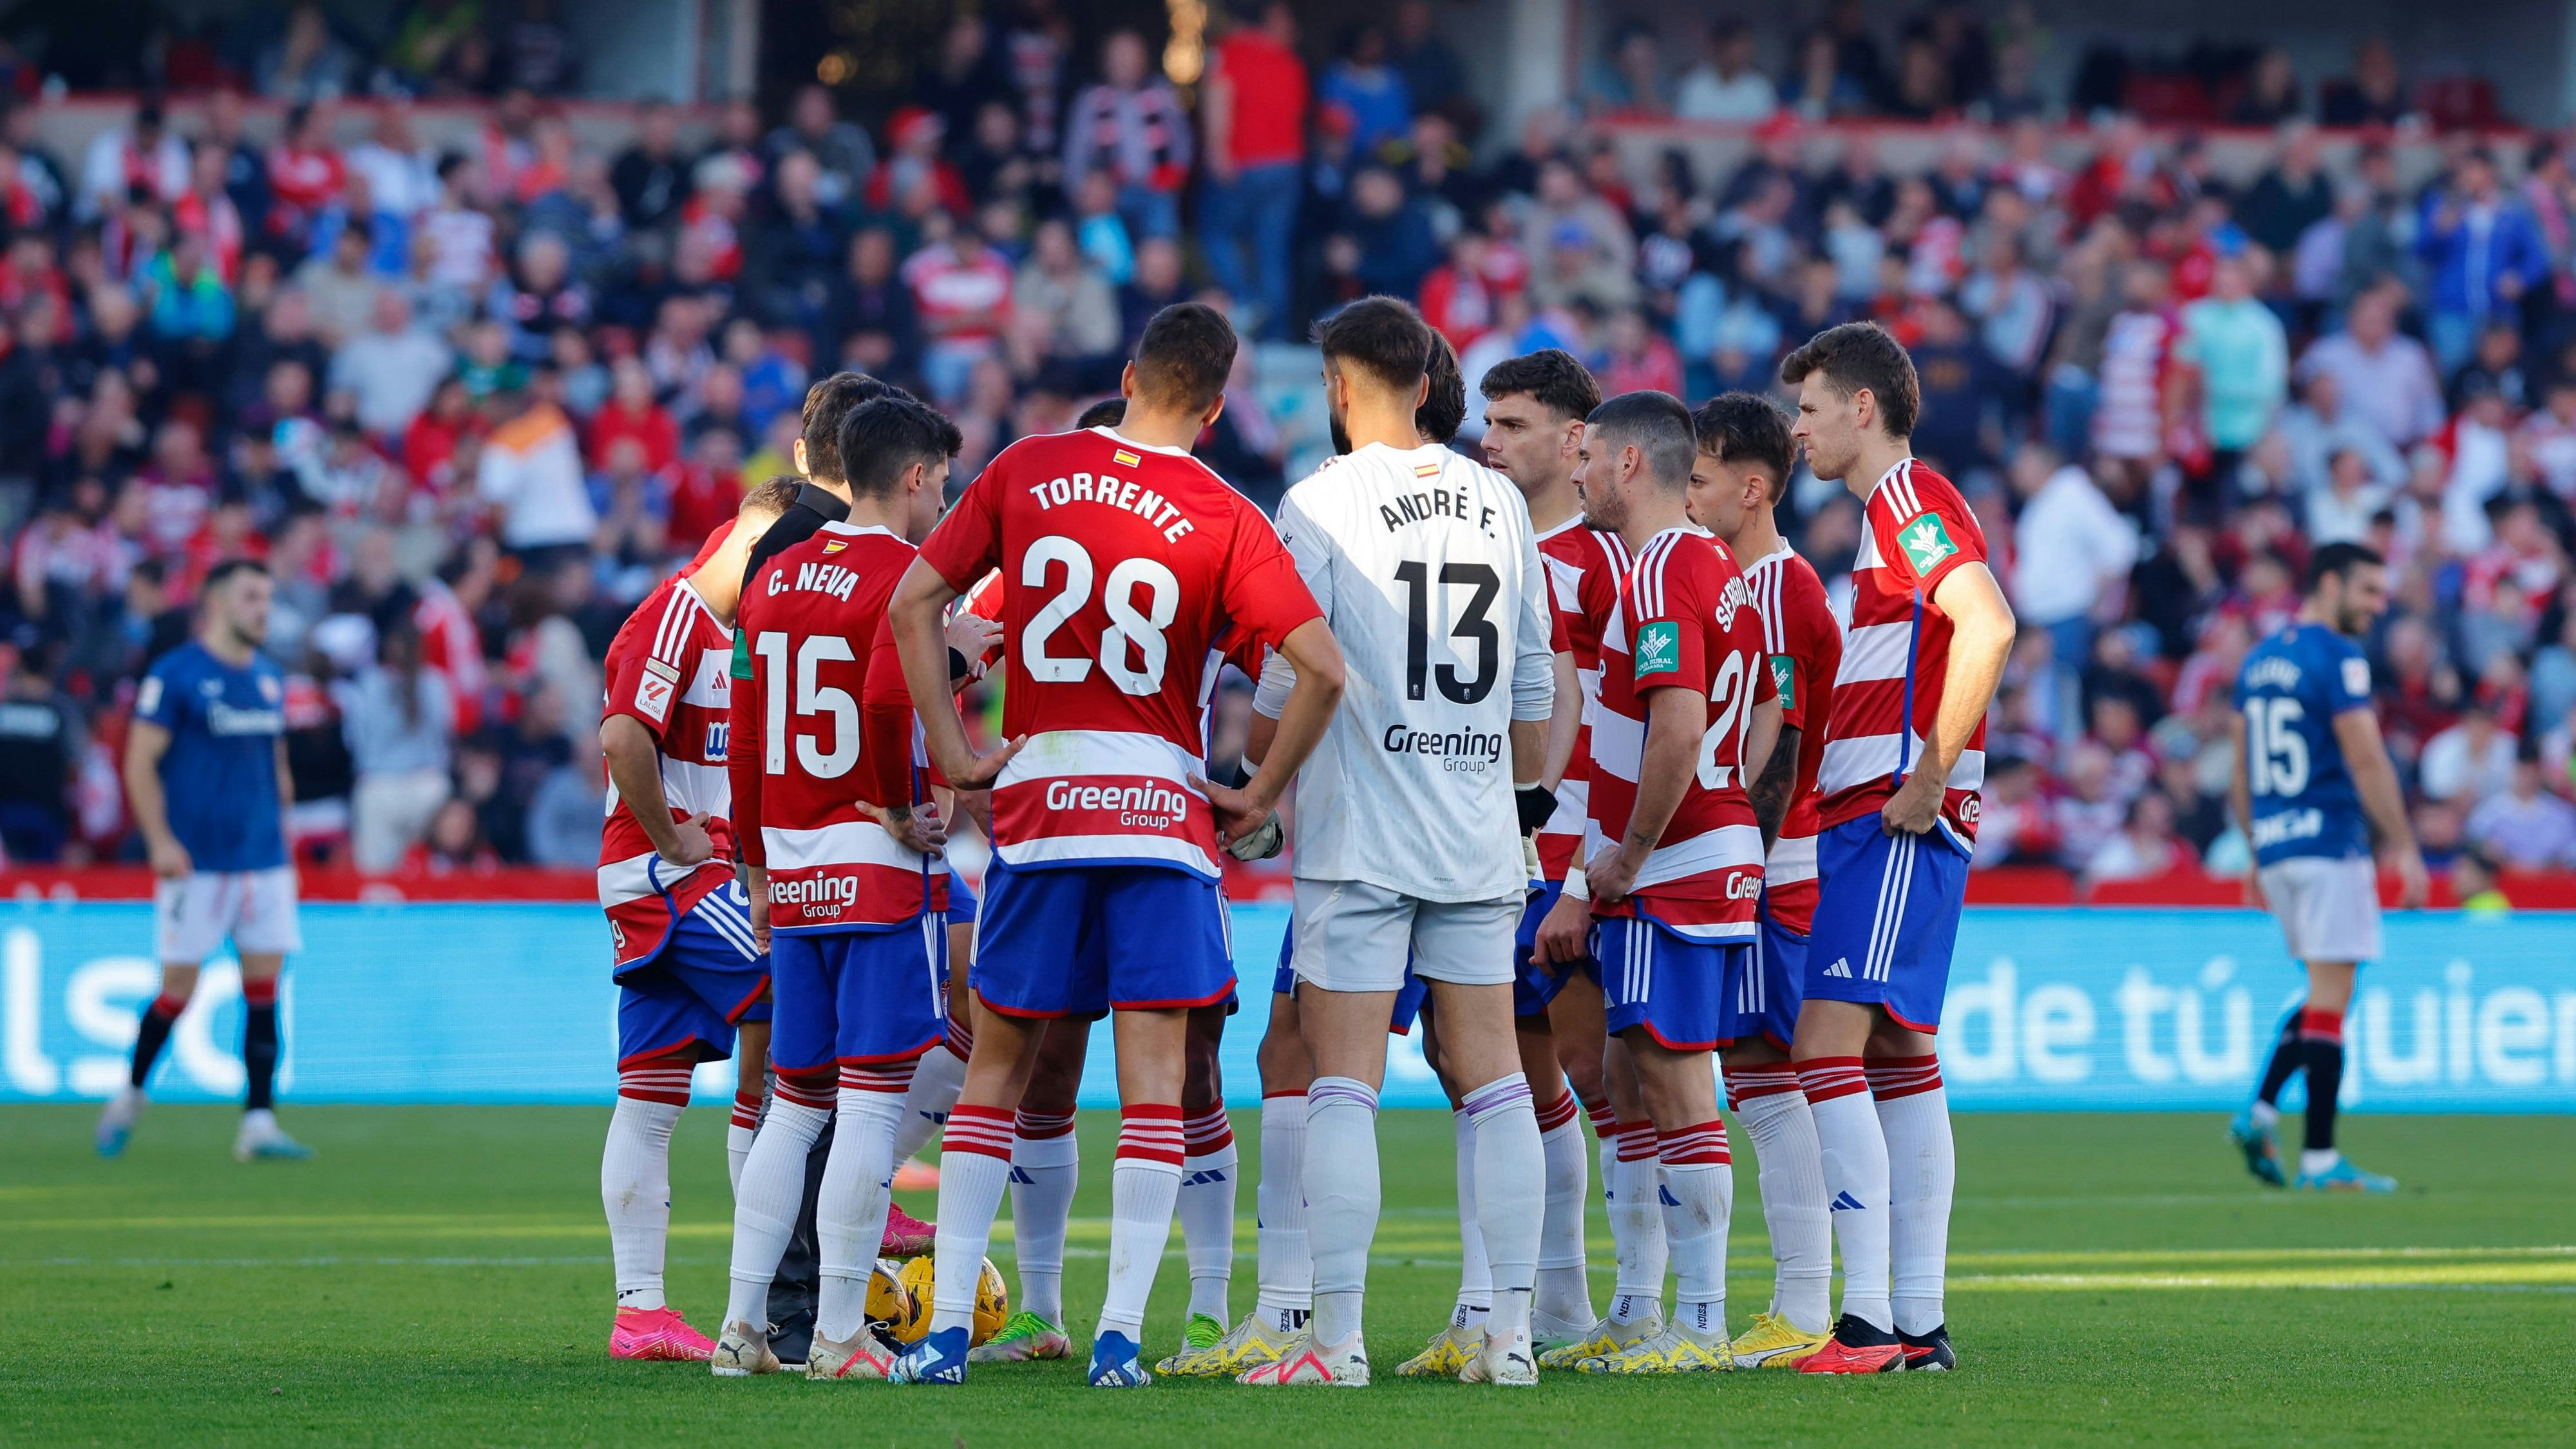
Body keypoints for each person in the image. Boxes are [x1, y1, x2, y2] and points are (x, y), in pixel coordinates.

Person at [883, 302, 1345, 1388]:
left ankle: (945, 1336)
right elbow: (1322, 668)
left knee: (998, 1071)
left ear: (1130, 376)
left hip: (1044, 809)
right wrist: (1257, 791)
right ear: (1217, 409)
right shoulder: (1227, 513)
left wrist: (955, 751)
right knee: (1157, 1086)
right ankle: (1121, 1340)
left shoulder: (1028, 467)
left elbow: (915, 605)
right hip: (1161, 817)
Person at [1231, 298, 1549, 1390]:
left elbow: (1288, 672)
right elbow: (1535, 684)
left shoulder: (1318, 500)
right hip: (1478, 832)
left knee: (1343, 1083)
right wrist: (1513, 801)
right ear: (1427, 383)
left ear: (1336, 386)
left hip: (1360, 833)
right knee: (1498, 1080)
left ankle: (1336, 1341)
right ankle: (1511, 1337)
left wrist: (1259, 787)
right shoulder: (1500, 499)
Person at [1781, 321, 2016, 1375]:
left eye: (1810, 408)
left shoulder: (1911, 502)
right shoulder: (1888, 514)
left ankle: (1869, 1321)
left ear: (1862, 407)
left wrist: (1928, 775)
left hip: (1892, 813)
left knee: (1824, 1047)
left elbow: (1988, 623)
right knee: (1899, 1054)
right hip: (1879, 812)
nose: (1799, 429)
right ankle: (1916, 1321)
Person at [714, 397, 964, 1381]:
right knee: (868, 1103)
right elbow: (890, 700)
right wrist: (902, 803)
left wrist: (754, 864)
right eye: (942, 482)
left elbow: (744, 733)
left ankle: (743, 1325)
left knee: (793, 1102)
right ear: (913, 475)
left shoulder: (771, 573)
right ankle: (837, 1335)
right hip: (872, 865)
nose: (943, 500)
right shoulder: (905, 576)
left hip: (791, 860)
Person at [1539, 391, 1779, 1376]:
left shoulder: (1660, 571)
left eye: (1589, 457)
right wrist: (1732, 809)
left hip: (1673, 869)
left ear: (1630, 464)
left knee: (1677, 1085)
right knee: (1630, 1076)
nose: (1579, 472)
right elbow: (1760, 708)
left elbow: (1677, 726)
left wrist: (1630, 855)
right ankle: (1642, 1308)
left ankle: (1703, 1321)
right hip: (1703, 851)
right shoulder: (1713, 567)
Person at [594, 481, 797, 1364]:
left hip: (676, 878)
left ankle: (640, 1313)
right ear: (753, 543)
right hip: (670, 878)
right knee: (810, 996)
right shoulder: (671, 617)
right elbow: (622, 737)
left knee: (650, 1094)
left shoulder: (730, 632)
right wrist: (673, 834)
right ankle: (788, 1282)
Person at [1685, 392, 1842, 1368]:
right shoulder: (1736, 579)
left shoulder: (1776, 588)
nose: (1688, 494)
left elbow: (1777, 743)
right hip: (1762, 863)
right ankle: (1803, 1299)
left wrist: (1743, 866)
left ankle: (1803, 1304)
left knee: (1767, 1077)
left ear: (1751, 489)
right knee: (1757, 1078)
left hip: (1774, 869)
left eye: (1701, 478)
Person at [1472, 348, 1616, 1364]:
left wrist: (1591, 866)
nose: (1490, 442)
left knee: (1600, 1075)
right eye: (1487, 423)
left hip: (1577, 858)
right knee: (1503, 1075)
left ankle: (1641, 1301)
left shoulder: (1607, 561)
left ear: (1575, 441)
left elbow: (1632, 723)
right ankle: (1542, 1302)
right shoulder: (1478, 547)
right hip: (1491, 852)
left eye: (1513, 424)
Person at [2226, 542, 2427, 1195]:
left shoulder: (2258, 659)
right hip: (2328, 841)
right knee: (2332, 998)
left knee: (2324, 992)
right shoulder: (2337, 656)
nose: (2378, 605)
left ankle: (2261, 1112)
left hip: (2277, 845)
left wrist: (2254, 849)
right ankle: (2319, 1158)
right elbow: (2366, 759)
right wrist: (2405, 846)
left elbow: (2239, 769)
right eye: (2368, 591)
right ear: (2331, 583)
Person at [95, 561, 312, 1164]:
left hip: (262, 861)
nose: (263, 609)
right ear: (217, 603)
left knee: (264, 987)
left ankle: (259, 1123)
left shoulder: (269, 678)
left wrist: (285, 834)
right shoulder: (177, 675)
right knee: (178, 989)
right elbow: (139, 761)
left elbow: (275, 766)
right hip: (198, 864)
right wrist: (160, 840)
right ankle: (131, 1094)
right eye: (251, 597)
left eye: (268, 597)